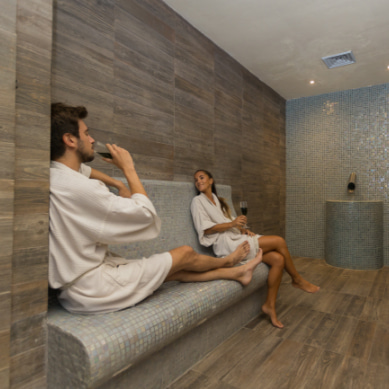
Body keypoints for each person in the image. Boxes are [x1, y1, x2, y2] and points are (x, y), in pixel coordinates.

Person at [49, 103, 264, 314]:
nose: (92, 139)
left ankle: (237, 273)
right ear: (69, 140)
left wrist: (118, 184)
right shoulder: (81, 189)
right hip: (94, 289)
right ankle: (228, 262)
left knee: (173, 270)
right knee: (185, 253)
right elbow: (145, 216)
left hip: (76, 286)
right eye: (86, 134)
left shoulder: (56, 175)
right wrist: (128, 169)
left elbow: (85, 171)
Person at [191, 170, 320, 328]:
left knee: (278, 260)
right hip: (225, 244)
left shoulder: (217, 200)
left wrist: (242, 230)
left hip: (234, 237)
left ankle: (269, 306)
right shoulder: (197, 201)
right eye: (196, 180)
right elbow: (205, 230)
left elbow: (228, 222)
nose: (198, 181)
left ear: (211, 180)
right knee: (279, 241)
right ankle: (297, 279)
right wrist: (232, 224)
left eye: (201, 177)